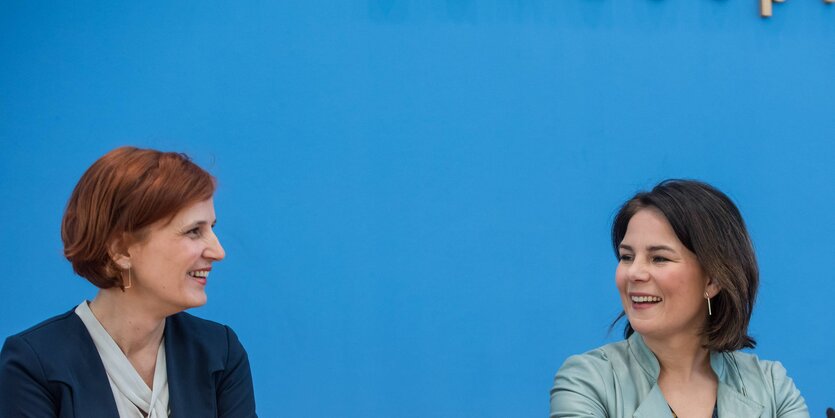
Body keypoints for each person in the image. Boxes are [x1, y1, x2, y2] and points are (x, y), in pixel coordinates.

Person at [0, 147, 257, 417]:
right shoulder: (33, 365)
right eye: (194, 231)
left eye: (211, 228)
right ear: (121, 250)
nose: (218, 251)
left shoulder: (220, 352)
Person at [550, 179, 808, 418]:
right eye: (627, 257)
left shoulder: (772, 385)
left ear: (713, 280)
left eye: (659, 258)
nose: (634, 273)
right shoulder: (587, 381)